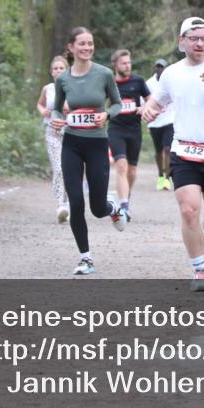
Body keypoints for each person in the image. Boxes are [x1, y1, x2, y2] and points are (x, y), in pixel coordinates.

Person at [142, 17, 204, 292]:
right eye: (193, 37)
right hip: (183, 150)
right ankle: (199, 269)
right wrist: (149, 109)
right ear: (181, 41)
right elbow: (157, 100)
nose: (199, 42)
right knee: (189, 209)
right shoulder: (171, 73)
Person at [51, 27, 125, 276]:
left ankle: (112, 207)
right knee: (76, 202)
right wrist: (57, 119)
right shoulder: (63, 79)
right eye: (81, 44)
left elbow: (117, 103)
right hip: (71, 144)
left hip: (96, 144)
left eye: (90, 44)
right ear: (71, 47)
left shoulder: (103, 74)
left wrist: (106, 114)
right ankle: (86, 258)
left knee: (96, 208)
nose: (86, 48)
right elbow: (56, 110)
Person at [108, 49, 151, 223]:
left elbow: (151, 100)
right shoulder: (109, 83)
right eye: (124, 63)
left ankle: (126, 195)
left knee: (132, 171)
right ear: (115, 65)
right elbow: (98, 102)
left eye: (129, 62)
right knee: (121, 166)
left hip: (134, 131)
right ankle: (124, 206)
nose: (127, 65)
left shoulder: (138, 81)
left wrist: (145, 108)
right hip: (116, 130)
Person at [37, 56, 70, 224]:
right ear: (51, 72)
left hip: (71, 133)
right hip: (53, 132)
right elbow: (40, 104)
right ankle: (61, 205)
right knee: (58, 169)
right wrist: (43, 111)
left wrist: (68, 108)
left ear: (67, 70)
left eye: (61, 68)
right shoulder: (47, 89)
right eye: (55, 68)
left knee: (70, 169)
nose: (58, 71)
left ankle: (70, 202)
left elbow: (82, 106)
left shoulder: (73, 87)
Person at [145, 58, 175, 191]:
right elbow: (144, 104)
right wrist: (147, 122)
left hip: (169, 121)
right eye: (157, 67)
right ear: (154, 68)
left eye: (162, 67)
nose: (160, 69)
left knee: (167, 149)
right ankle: (160, 175)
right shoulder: (149, 84)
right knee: (158, 152)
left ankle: (167, 178)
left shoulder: (172, 82)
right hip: (155, 122)